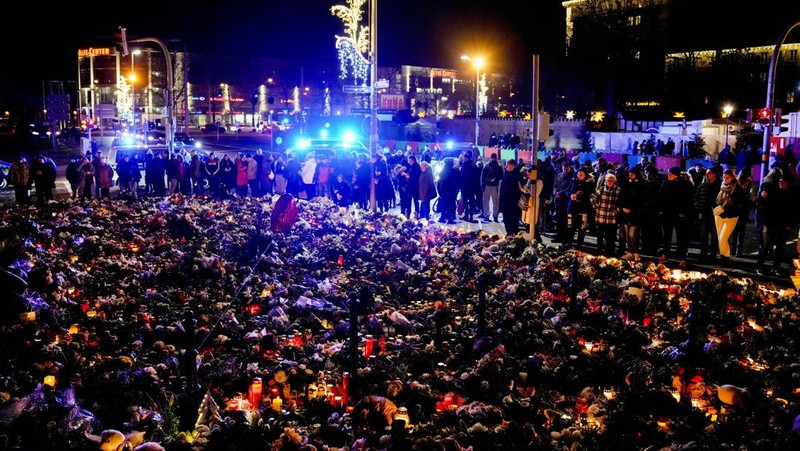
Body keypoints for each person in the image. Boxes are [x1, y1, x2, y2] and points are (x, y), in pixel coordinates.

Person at [756, 170, 800, 276]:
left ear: (789, 183)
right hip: (770, 223)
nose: (781, 182)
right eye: (780, 180)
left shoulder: (794, 193)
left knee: (780, 247)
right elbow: (761, 203)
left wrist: (791, 224)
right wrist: (762, 197)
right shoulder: (772, 189)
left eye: (783, 181)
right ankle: (759, 266)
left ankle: (775, 268)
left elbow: (796, 211)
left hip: (784, 225)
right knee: (766, 246)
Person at [657, 166, 695, 267]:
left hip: (679, 214)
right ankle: (665, 254)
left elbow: (688, 200)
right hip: (667, 213)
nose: (668, 175)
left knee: (681, 236)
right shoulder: (665, 183)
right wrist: (660, 209)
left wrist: (684, 212)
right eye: (668, 173)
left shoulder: (685, 185)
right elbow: (660, 196)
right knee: (667, 236)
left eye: (671, 174)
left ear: (676, 175)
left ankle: (682, 258)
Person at [713, 168, 745, 263]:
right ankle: (723, 257)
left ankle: (726, 257)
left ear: (732, 177)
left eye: (727, 177)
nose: (725, 179)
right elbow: (716, 200)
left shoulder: (737, 188)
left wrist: (728, 205)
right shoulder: (721, 186)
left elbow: (740, 203)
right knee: (720, 238)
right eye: (724, 177)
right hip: (719, 215)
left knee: (723, 238)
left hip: (731, 216)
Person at [693, 167, 721, 262]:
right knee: (703, 235)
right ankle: (703, 254)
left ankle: (713, 255)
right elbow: (696, 196)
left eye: (709, 173)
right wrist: (698, 206)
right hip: (704, 213)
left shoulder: (720, 186)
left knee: (714, 236)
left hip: (715, 215)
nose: (707, 175)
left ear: (714, 174)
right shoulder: (703, 185)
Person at [617, 167, 645, 261]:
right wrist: (622, 207)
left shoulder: (641, 185)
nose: (630, 175)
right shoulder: (626, 184)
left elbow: (640, 200)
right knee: (626, 234)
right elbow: (621, 197)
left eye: (632, 174)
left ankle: (636, 252)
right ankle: (630, 251)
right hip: (625, 213)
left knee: (633, 234)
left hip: (635, 214)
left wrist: (632, 209)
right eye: (629, 174)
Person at [564, 167, 595, 250]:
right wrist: (570, 195)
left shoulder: (589, 183)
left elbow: (590, 194)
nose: (580, 176)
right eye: (579, 174)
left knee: (582, 228)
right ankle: (569, 243)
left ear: (585, 175)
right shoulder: (573, 181)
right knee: (570, 227)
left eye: (582, 174)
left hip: (583, 209)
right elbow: (568, 190)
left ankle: (579, 244)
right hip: (572, 208)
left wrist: (578, 196)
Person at [591, 172, 621, 255]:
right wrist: (596, 207)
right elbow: (592, 197)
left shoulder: (618, 190)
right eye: (608, 180)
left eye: (611, 181)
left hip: (611, 217)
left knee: (610, 236)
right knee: (600, 235)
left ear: (614, 181)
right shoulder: (601, 189)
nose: (609, 182)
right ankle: (599, 250)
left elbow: (621, 202)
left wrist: (617, 210)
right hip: (601, 215)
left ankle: (609, 251)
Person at [732, 165, 757, 257]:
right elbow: (752, 198)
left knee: (734, 229)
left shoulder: (736, 181)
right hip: (743, 208)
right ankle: (738, 250)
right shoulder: (750, 183)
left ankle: (733, 248)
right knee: (741, 230)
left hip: (735, 208)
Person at [499, 158, 524, 236]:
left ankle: (514, 233)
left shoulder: (517, 174)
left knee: (513, 218)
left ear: (512, 165)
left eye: (508, 164)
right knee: (506, 218)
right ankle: (509, 233)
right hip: (505, 200)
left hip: (513, 201)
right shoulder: (505, 173)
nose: (506, 166)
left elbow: (520, 187)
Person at [480, 153, 503, 222]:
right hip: (491, 185)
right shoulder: (493, 166)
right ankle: (491, 215)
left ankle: (491, 215)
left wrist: (483, 185)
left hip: (492, 185)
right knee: (490, 201)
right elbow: (483, 176)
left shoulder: (489, 166)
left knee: (492, 201)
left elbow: (500, 176)